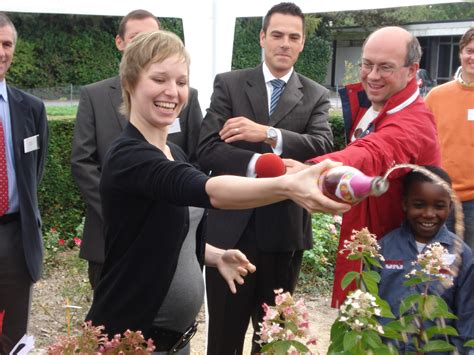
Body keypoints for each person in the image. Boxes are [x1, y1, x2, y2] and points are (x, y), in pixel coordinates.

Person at [85, 30, 349, 354]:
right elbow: (210, 191)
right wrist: (288, 185)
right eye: (159, 79)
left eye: (181, 82)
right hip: (130, 340)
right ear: (129, 83)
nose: (173, 91)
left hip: (173, 341)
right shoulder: (129, 156)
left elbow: (166, 234)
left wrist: (214, 256)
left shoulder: (173, 152)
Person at [196, 3, 334, 353]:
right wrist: (261, 164)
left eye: (293, 37)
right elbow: (207, 149)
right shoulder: (229, 84)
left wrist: (269, 133)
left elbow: (322, 146)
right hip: (229, 232)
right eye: (277, 35)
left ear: (302, 43)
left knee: (275, 338)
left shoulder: (315, 94)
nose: (284, 44)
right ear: (262, 37)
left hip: (283, 234)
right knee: (224, 338)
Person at [286, 26, 441, 308]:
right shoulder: (374, 103)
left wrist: (314, 169)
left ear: (412, 70)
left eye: (385, 67)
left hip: (395, 263)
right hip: (366, 247)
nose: (372, 75)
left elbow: (373, 151)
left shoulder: (414, 122)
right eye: (367, 64)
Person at [71, 9, 204, 290]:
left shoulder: (185, 96)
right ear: (120, 42)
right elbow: (83, 162)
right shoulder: (94, 95)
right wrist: (122, 210)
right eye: (136, 38)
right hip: (108, 236)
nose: (146, 46)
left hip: (171, 238)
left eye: (153, 38)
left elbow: (196, 157)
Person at [378, 166, 474, 354]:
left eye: (439, 206)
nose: (429, 214)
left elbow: (468, 315)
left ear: (450, 207)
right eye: (419, 205)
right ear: (405, 204)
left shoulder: (461, 255)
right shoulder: (383, 248)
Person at [0, 13, 48, 352]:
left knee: (13, 336)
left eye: (6, 44)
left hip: (16, 238)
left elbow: (35, 170)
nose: (2, 51)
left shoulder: (31, 108)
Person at [425, 27, 474, 250]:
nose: (473, 58)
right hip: (440, 196)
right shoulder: (437, 96)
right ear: (461, 52)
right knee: (438, 264)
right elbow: (423, 140)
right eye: (470, 51)